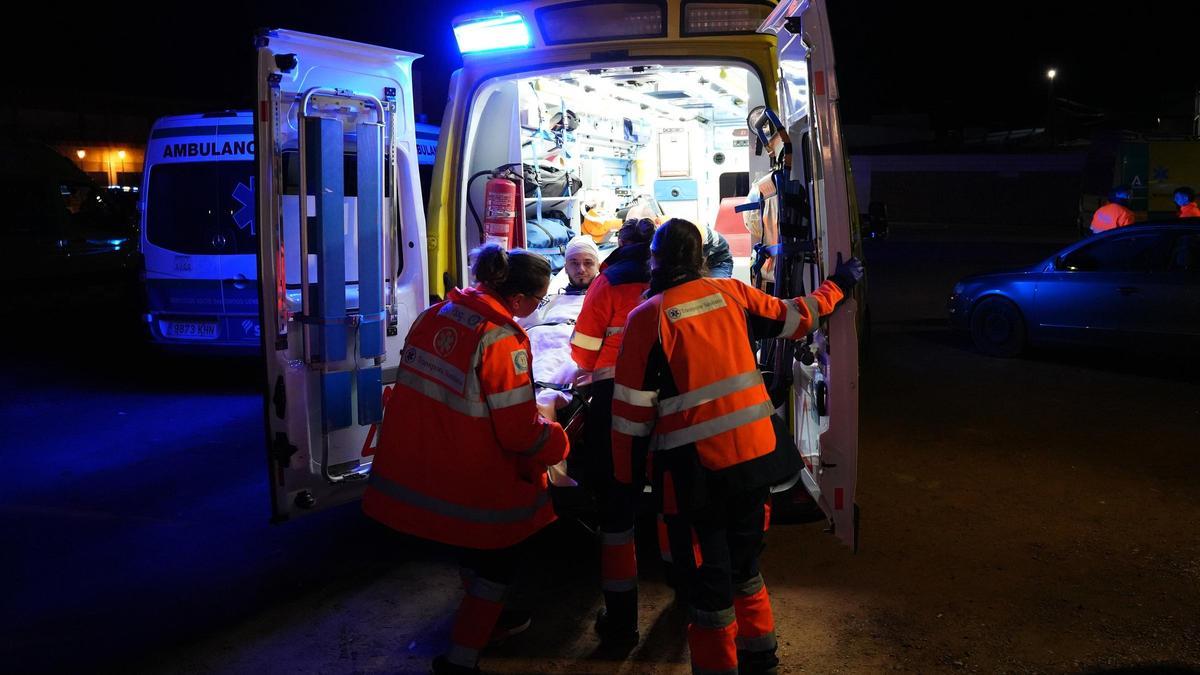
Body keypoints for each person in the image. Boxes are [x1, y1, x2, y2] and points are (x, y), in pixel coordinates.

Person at [611, 219, 863, 674]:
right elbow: (797, 315)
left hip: (695, 477)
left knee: (707, 585)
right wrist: (837, 285)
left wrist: (627, 484)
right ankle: (761, 658)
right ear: (702, 258)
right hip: (755, 460)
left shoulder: (647, 319)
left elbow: (630, 415)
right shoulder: (731, 293)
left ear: (654, 260)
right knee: (745, 566)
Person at [362, 244, 569, 675]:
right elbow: (518, 431)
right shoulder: (502, 338)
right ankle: (461, 660)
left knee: (471, 552)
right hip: (470, 478)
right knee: (499, 562)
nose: (536, 308)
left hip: (421, 468)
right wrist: (558, 442)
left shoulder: (435, 315)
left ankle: (491, 617)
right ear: (517, 300)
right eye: (538, 300)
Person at [568, 217, 656, 647]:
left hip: (614, 397)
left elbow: (584, 352)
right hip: (668, 399)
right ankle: (684, 581)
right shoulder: (678, 280)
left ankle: (621, 624)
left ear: (618, 244)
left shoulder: (608, 282)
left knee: (616, 506)